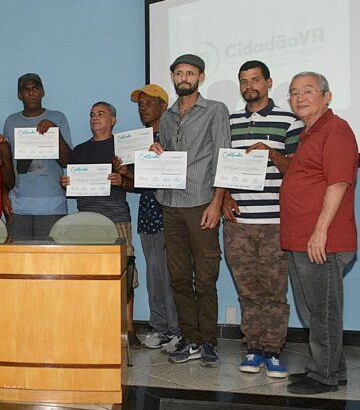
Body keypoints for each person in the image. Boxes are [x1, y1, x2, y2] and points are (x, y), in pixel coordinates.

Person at [222, 61, 303, 379]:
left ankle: (273, 351)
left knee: (273, 290)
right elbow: (223, 167)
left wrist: (271, 152)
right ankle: (253, 348)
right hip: (238, 222)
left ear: (269, 82)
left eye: (255, 80)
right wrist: (225, 196)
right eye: (243, 81)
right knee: (247, 290)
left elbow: (296, 172)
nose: (249, 86)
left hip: (275, 222)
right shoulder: (229, 121)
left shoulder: (289, 121)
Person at [150, 54, 230, 368]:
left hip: (202, 203)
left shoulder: (215, 111)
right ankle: (189, 337)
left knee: (206, 278)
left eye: (190, 73)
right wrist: (158, 154)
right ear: (173, 77)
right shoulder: (167, 117)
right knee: (180, 278)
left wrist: (217, 202)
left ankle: (208, 341)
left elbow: (223, 157)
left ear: (201, 77)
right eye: (179, 73)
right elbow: (170, 159)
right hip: (170, 204)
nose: (185, 77)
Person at [281, 72, 357, 395]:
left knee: (323, 310)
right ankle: (330, 368)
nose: (300, 97)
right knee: (313, 309)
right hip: (301, 240)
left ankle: (324, 376)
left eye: (308, 91)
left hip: (321, 242)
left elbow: (338, 182)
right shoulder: (307, 134)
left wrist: (320, 232)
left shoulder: (336, 130)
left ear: (327, 96)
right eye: (294, 92)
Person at [60, 102, 138, 346]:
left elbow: (138, 184)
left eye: (101, 114)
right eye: (92, 115)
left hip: (116, 218)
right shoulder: (80, 151)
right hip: (86, 220)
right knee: (89, 274)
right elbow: (73, 186)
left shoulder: (123, 148)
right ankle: (92, 325)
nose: (95, 118)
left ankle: (129, 329)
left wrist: (122, 180)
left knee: (125, 273)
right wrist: (67, 183)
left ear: (113, 120)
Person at [126, 85, 181, 352]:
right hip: (147, 211)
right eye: (140, 104)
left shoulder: (172, 135)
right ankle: (159, 327)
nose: (142, 107)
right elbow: (139, 183)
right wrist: (123, 172)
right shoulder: (140, 140)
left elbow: (175, 174)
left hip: (169, 211)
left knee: (170, 273)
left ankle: (176, 330)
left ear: (163, 106)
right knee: (153, 273)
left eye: (148, 103)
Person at [3, 73, 71, 238]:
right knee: (18, 261)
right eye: (26, 90)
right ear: (19, 95)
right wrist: (4, 196)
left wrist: (55, 132)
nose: (31, 93)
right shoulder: (11, 121)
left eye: (35, 88)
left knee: (49, 262)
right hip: (18, 206)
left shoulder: (57, 117)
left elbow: (67, 161)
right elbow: (7, 165)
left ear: (43, 92)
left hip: (52, 205)